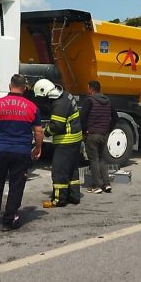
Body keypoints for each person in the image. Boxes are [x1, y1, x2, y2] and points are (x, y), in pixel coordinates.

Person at [0, 74, 43, 231]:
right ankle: (9, 220)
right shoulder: (32, 107)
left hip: (0, 150)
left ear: (9, 86)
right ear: (25, 88)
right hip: (21, 151)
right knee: (16, 185)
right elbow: (38, 131)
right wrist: (38, 147)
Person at [33, 79, 83, 207]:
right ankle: (74, 196)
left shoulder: (59, 104)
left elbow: (57, 126)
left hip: (66, 141)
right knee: (71, 169)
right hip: (75, 139)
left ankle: (59, 200)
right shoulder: (65, 95)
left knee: (59, 170)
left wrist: (46, 132)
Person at [80, 80, 119, 194]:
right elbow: (116, 118)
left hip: (92, 135)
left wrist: (84, 132)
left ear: (91, 89)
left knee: (94, 160)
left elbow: (82, 118)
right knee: (102, 159)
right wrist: (108, 130)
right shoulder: (108, 101)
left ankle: (96, 185)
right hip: (103, 135)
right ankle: (106, 184)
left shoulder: (89, 101)